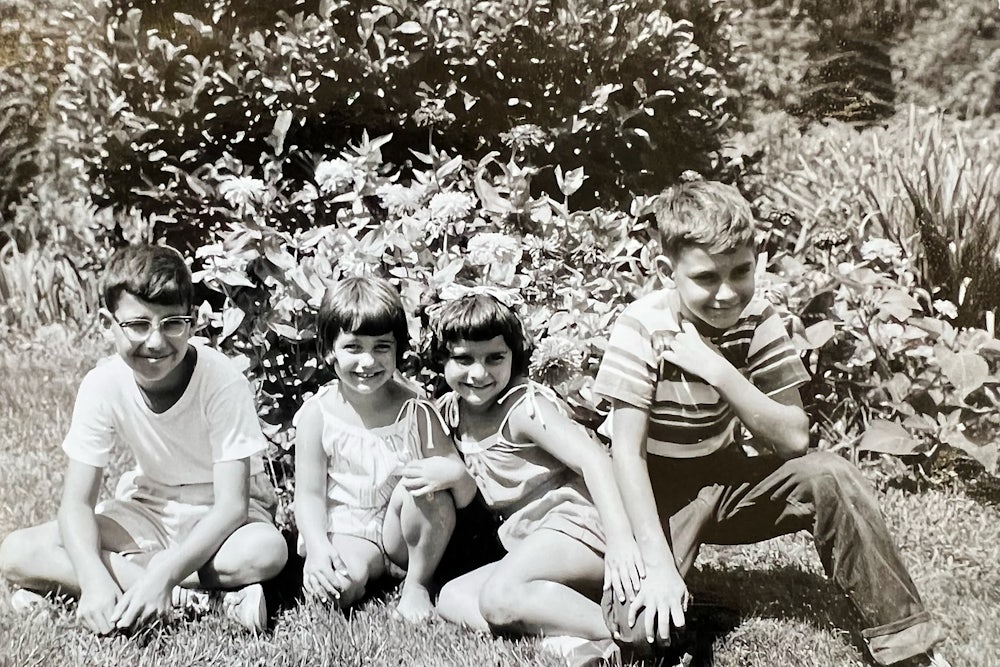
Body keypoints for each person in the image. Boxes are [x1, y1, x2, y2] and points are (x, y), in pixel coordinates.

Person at [593, 180, 949, 666]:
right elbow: (627, 454)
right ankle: (694, 605)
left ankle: (907, 647)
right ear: (665, 271)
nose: (726, 293)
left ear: (756, 260)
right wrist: (655, 562)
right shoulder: (641, 326)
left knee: (831, 475)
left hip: (722, 475)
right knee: (641, 633)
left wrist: (719, 372)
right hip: (655, 489)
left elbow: (794, 439)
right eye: (705, 278)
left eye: (741, 272)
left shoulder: (758, 317)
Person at [0, 243, 288, 635]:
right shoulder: (102, 384)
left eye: (172, 324)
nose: (155, 342)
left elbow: (231, 507)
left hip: (225, 520)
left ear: (193, 324)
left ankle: (143, 584)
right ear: (107, 324)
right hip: (151, 507)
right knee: (16, 551)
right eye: (138, 325)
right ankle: (201, 600)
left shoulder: (222, 382)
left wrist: (163, 575)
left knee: (267, 551)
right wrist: (93, 579)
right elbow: (76, 505)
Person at [429, 288, 643, 665]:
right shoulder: (451, 412)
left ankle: (631, 633)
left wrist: (622, 541)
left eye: (495, 358)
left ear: (514, 356)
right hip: (533, 542)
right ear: (442, 359)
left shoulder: (523, 408)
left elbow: (594, 460)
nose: (479, 373)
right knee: (452, 597)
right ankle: (572, 641)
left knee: (498, 598)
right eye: (463, 358)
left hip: (581, 528)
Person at [292, 275, 477, 622]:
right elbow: (308, 496)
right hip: (349, 532)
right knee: (336, 588)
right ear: (329, 349)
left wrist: (453, 473)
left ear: (397, 350)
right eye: (353, 347)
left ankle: (417, 584)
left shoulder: (416, 410)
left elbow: (463, 494)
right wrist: (317, 548)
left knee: (426, 485)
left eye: (381, 347)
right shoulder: (318, 415)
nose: (368, 362)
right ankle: (356, 575)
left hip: (404, 535)